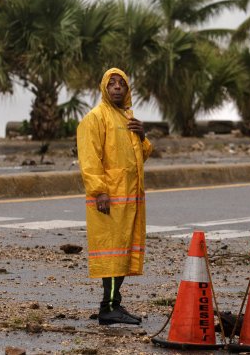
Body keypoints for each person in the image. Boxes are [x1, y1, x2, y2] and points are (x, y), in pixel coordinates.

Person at [77, 67, 153, 326]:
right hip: (109, 199)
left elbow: (139, 157)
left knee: (122, 253)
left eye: (122, 83)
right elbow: (89, 159)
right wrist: (99, 192)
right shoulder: (96, 118)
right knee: (111, 254)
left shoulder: (128, 118)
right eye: (112, 84)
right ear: (104, 89)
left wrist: (143, 136)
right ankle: (108, 308)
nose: (117, 87)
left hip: (130, 200)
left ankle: (114, 304)